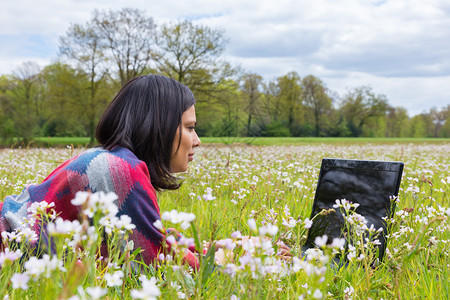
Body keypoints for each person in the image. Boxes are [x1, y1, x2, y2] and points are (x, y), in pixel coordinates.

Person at [0, 74, 202, 268]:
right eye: (190, 127)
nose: (197, 141)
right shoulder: (119, 170)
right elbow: (153, 262)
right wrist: (216, 261)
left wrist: (199, 248)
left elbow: (146, 234)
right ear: (160, 126)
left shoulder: (106, 158)